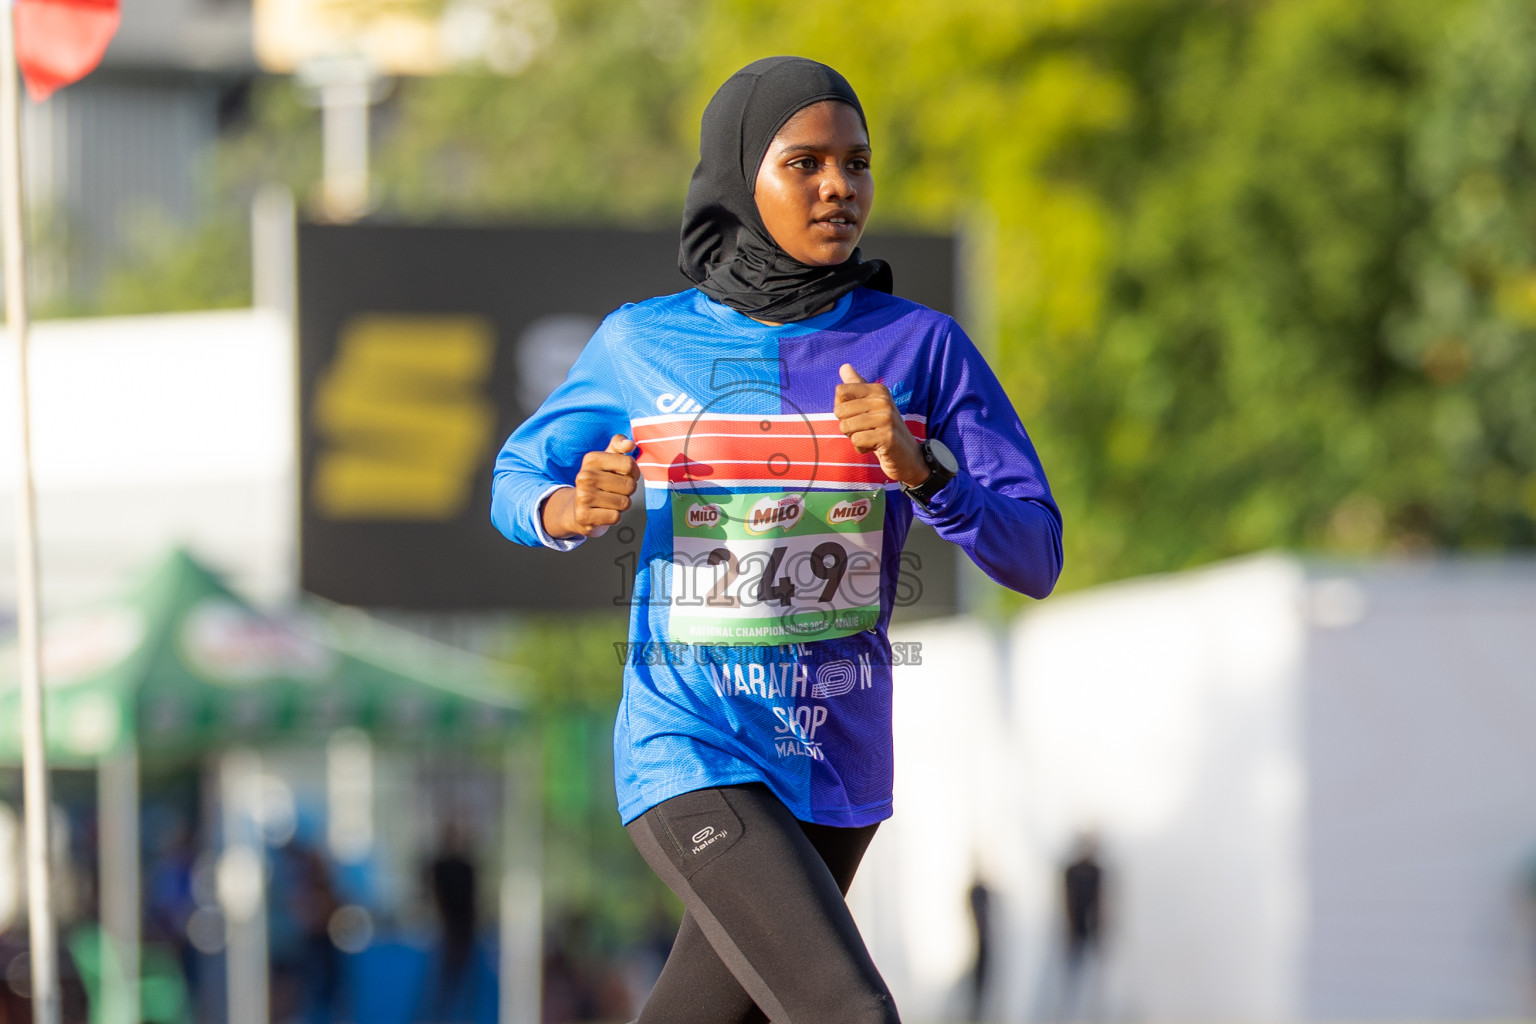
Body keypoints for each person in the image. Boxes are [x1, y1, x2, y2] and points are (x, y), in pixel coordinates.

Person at [491, 55, 1062, 1024]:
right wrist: (567, 508)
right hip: (692, 743)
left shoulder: (919, 349)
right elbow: (516, 478)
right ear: (740, 174)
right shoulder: (641, 342)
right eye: (806, 163)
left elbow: (1034, 553)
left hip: (836, 763)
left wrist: (924, 471)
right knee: (849, 1009)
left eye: (857, 163)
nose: (840, 186)